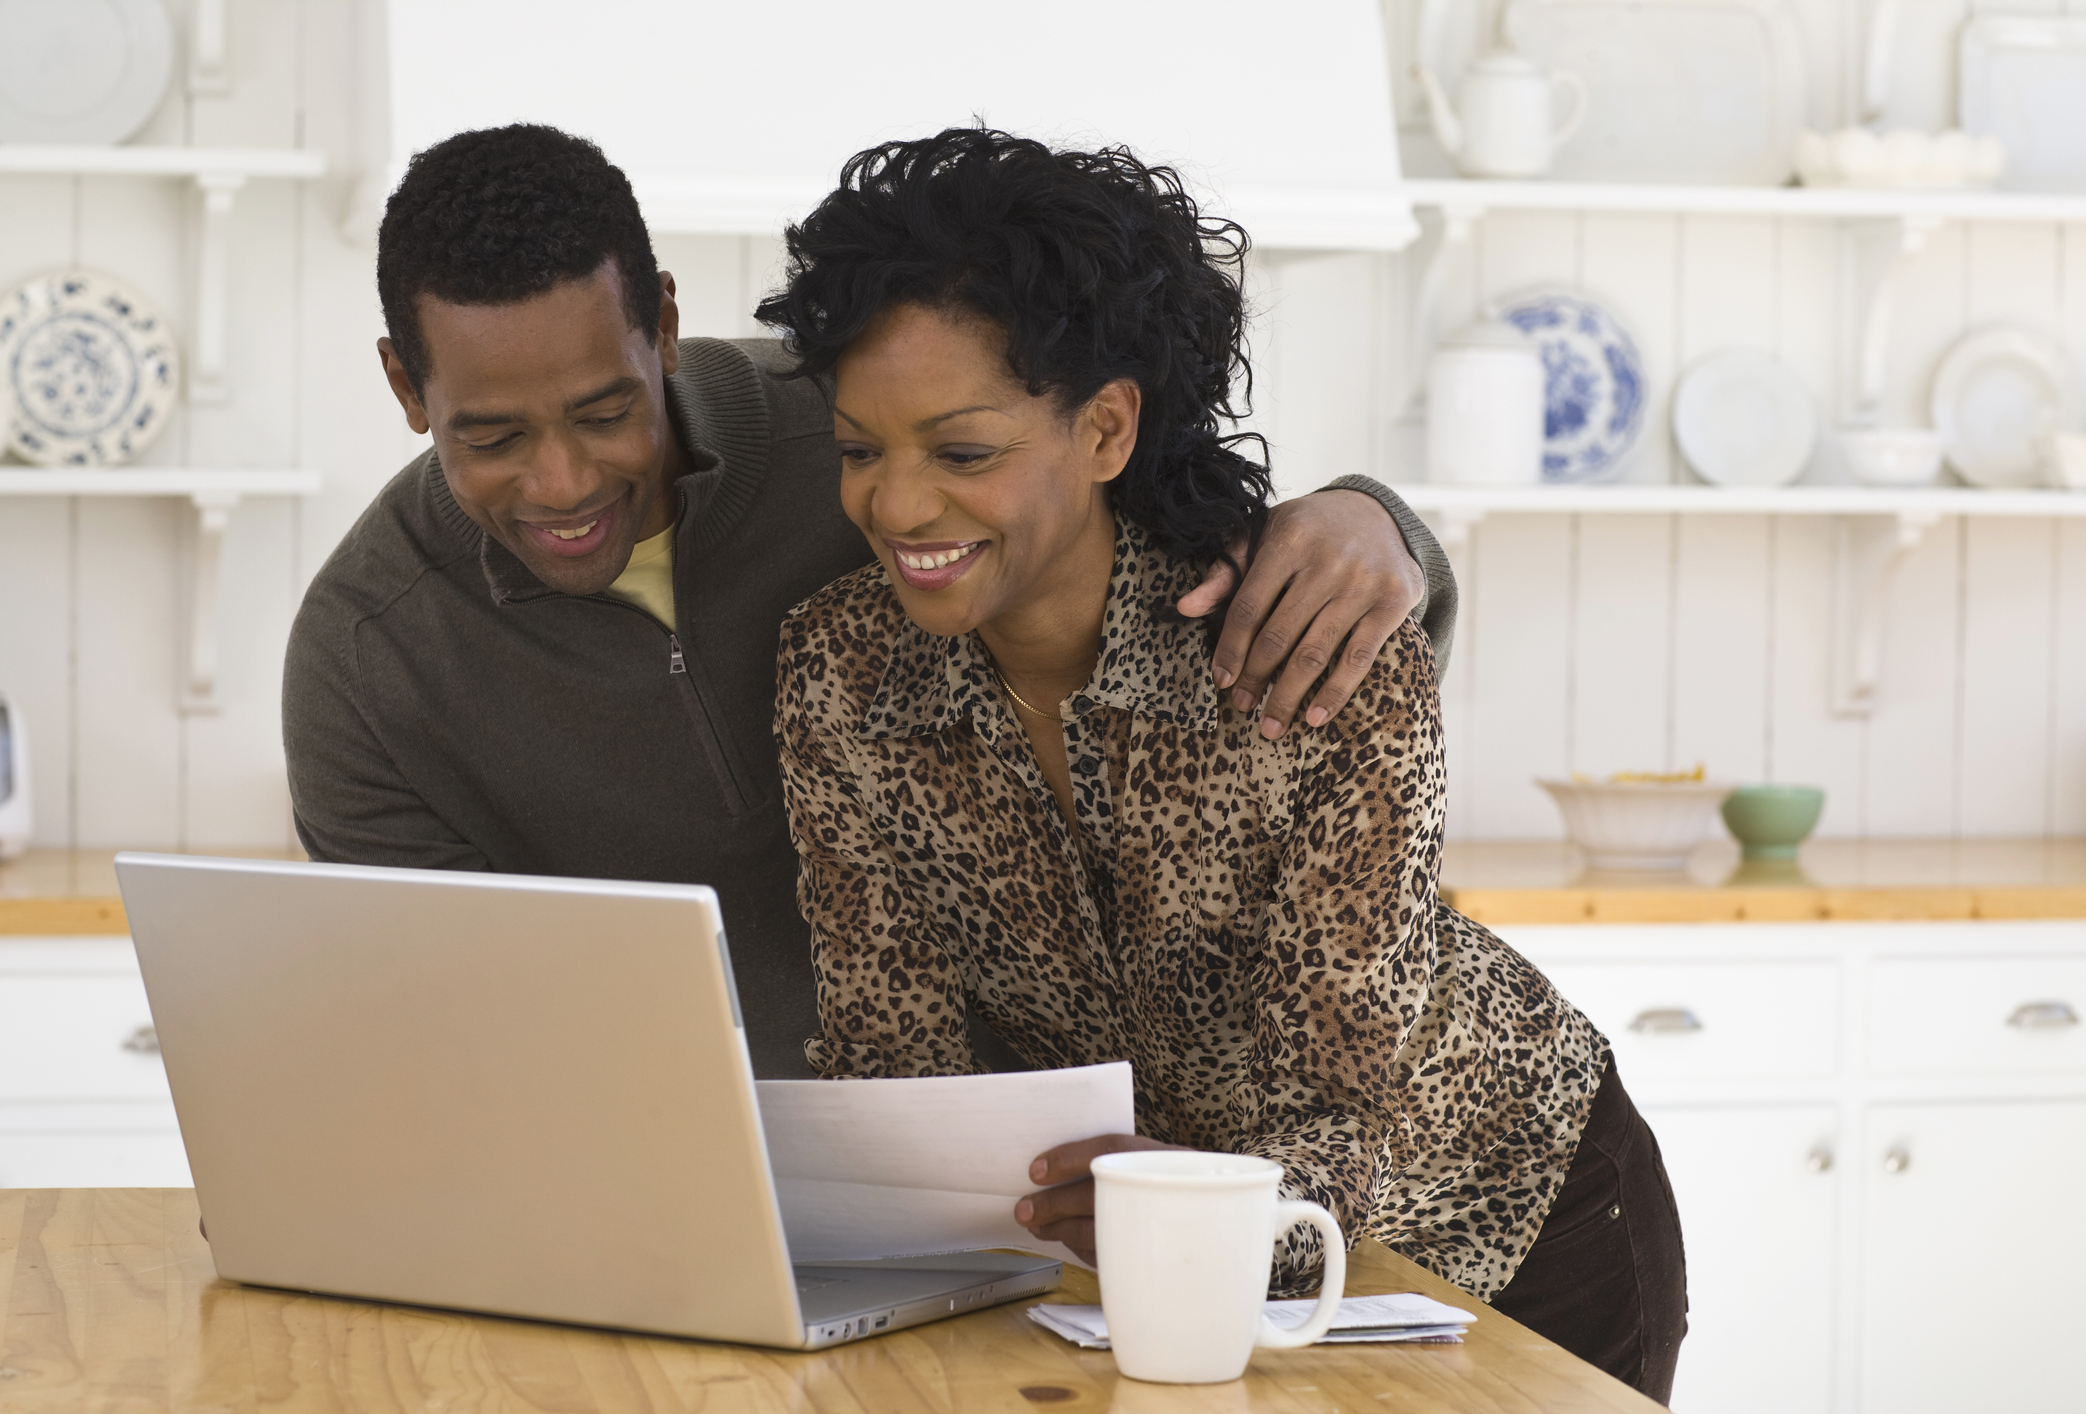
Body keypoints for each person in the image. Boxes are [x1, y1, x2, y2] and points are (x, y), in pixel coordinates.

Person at [765, 129, 1687, 1402]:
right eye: (861, 449)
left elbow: (1333, 1109)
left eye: (960, 452)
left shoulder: (1307, 652)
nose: (899, 506)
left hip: (1511, 1218)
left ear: (1104, 428)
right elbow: (892, 1067)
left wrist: (1151, 1211)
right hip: (1177, 1261)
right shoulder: (839, 671)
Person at [281, 124, 1456, 1081]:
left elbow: (1193, 518)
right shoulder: (364, 663)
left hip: (1118, 1172)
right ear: (404, 383)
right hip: (771, 1184)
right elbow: (454, 1040)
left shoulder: (882, 409)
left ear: (666, 328)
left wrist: (1374, 517)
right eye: (491, 438)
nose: (565, 481)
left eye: (603, 413)